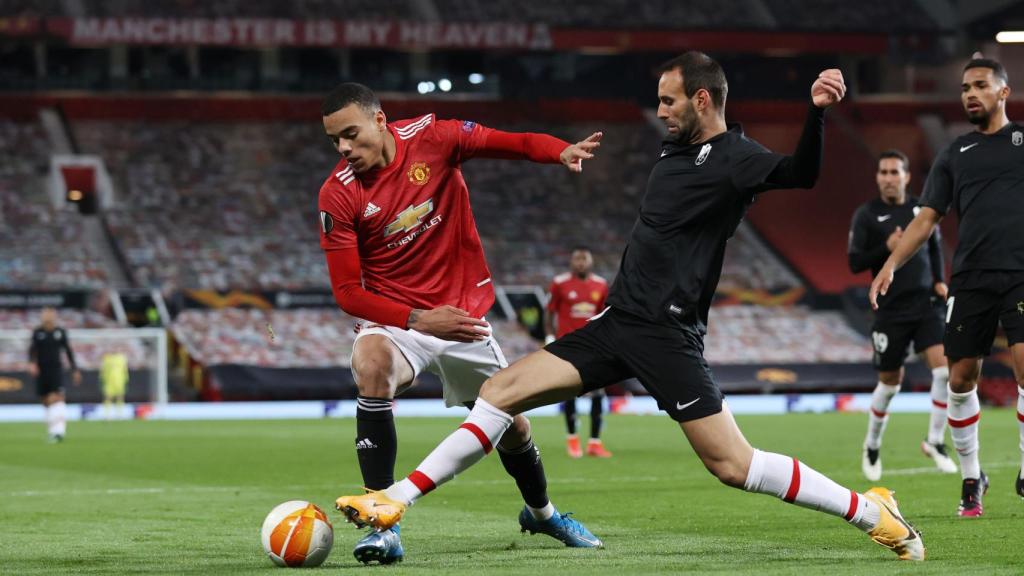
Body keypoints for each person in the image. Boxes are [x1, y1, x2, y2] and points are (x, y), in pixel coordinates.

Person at [337, 52, 925, 561]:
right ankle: (395, 500)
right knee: (499, 392)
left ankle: (869, 510)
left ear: (701, 99)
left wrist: (816, 113)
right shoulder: (676, 151)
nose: (660, 111)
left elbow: (801, 173)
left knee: (734, 466)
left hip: (666, 335)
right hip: (617, 323)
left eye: (669, 101)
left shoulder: (736, 157)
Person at [318, 83, 605, 564]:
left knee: (514, 428)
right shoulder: (337, 194)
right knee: (371, 364)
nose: (343, 148)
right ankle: (383, 522)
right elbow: (348, 292)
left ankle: (542, 514)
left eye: (350, 134)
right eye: (334, 141)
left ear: (380, 120)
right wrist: (418, 318)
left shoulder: (434, 137)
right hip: (399, 319)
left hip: (461, 318)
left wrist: (559, 151)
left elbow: (511, 142)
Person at [870, 56, 1024, 516]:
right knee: (959, 380)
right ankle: (972, 477)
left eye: (980, 85)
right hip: (971, 277)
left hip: (1021, 273)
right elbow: (926, 218)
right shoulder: (955, 153)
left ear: (1003, 91)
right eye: (964, 88)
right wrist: (891, 263)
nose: (970, 94)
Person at [848, 149, 957, 480]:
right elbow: (854, 263)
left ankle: (934, 441)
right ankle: (871, 444)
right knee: (889, 385)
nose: (888, 178)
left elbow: (934, 246)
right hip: (890, 309)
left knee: (944, 372)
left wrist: (938, 280)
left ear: (907, 177)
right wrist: (886, 247)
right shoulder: (867, 215)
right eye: (883, 172)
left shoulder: (920, 210)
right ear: (877, 177)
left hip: (925, 304)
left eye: (894, 172)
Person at [544, 247, 611, 458]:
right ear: (571, 262)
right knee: (570, 391)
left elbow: (604, 315)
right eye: (577, 259)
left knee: (598, 393)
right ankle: (572, 439)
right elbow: (549, 312)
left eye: (584, 259)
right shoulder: (560, 283)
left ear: (591, 261)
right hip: (568, 346)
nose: (581, 262)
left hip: (593, 346)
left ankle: (594, 443)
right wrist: (549, 337)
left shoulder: (601, 285)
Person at [28, 308, 80, 442]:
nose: (47, 317)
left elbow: (68, 351)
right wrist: (31, 363)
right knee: (45, 400)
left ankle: (59, 432)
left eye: (50, 314)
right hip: (42, 371)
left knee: (56, 397)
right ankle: (52, 430)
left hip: (56, 370)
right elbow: (32, 349)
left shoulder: (60, 332)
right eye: (45, 314)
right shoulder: (38, 332)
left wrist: (74, 369)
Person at [100, 348, 129, 420]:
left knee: (120, 397)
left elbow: (125, 369)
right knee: (108, 397)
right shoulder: (107, 358)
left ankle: (119, 414)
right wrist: (102, 378)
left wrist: (126, 378)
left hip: (120, 381)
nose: (115, 350)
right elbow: (103, 370)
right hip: (109, 381)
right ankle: (107, 415)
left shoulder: (122, 358)